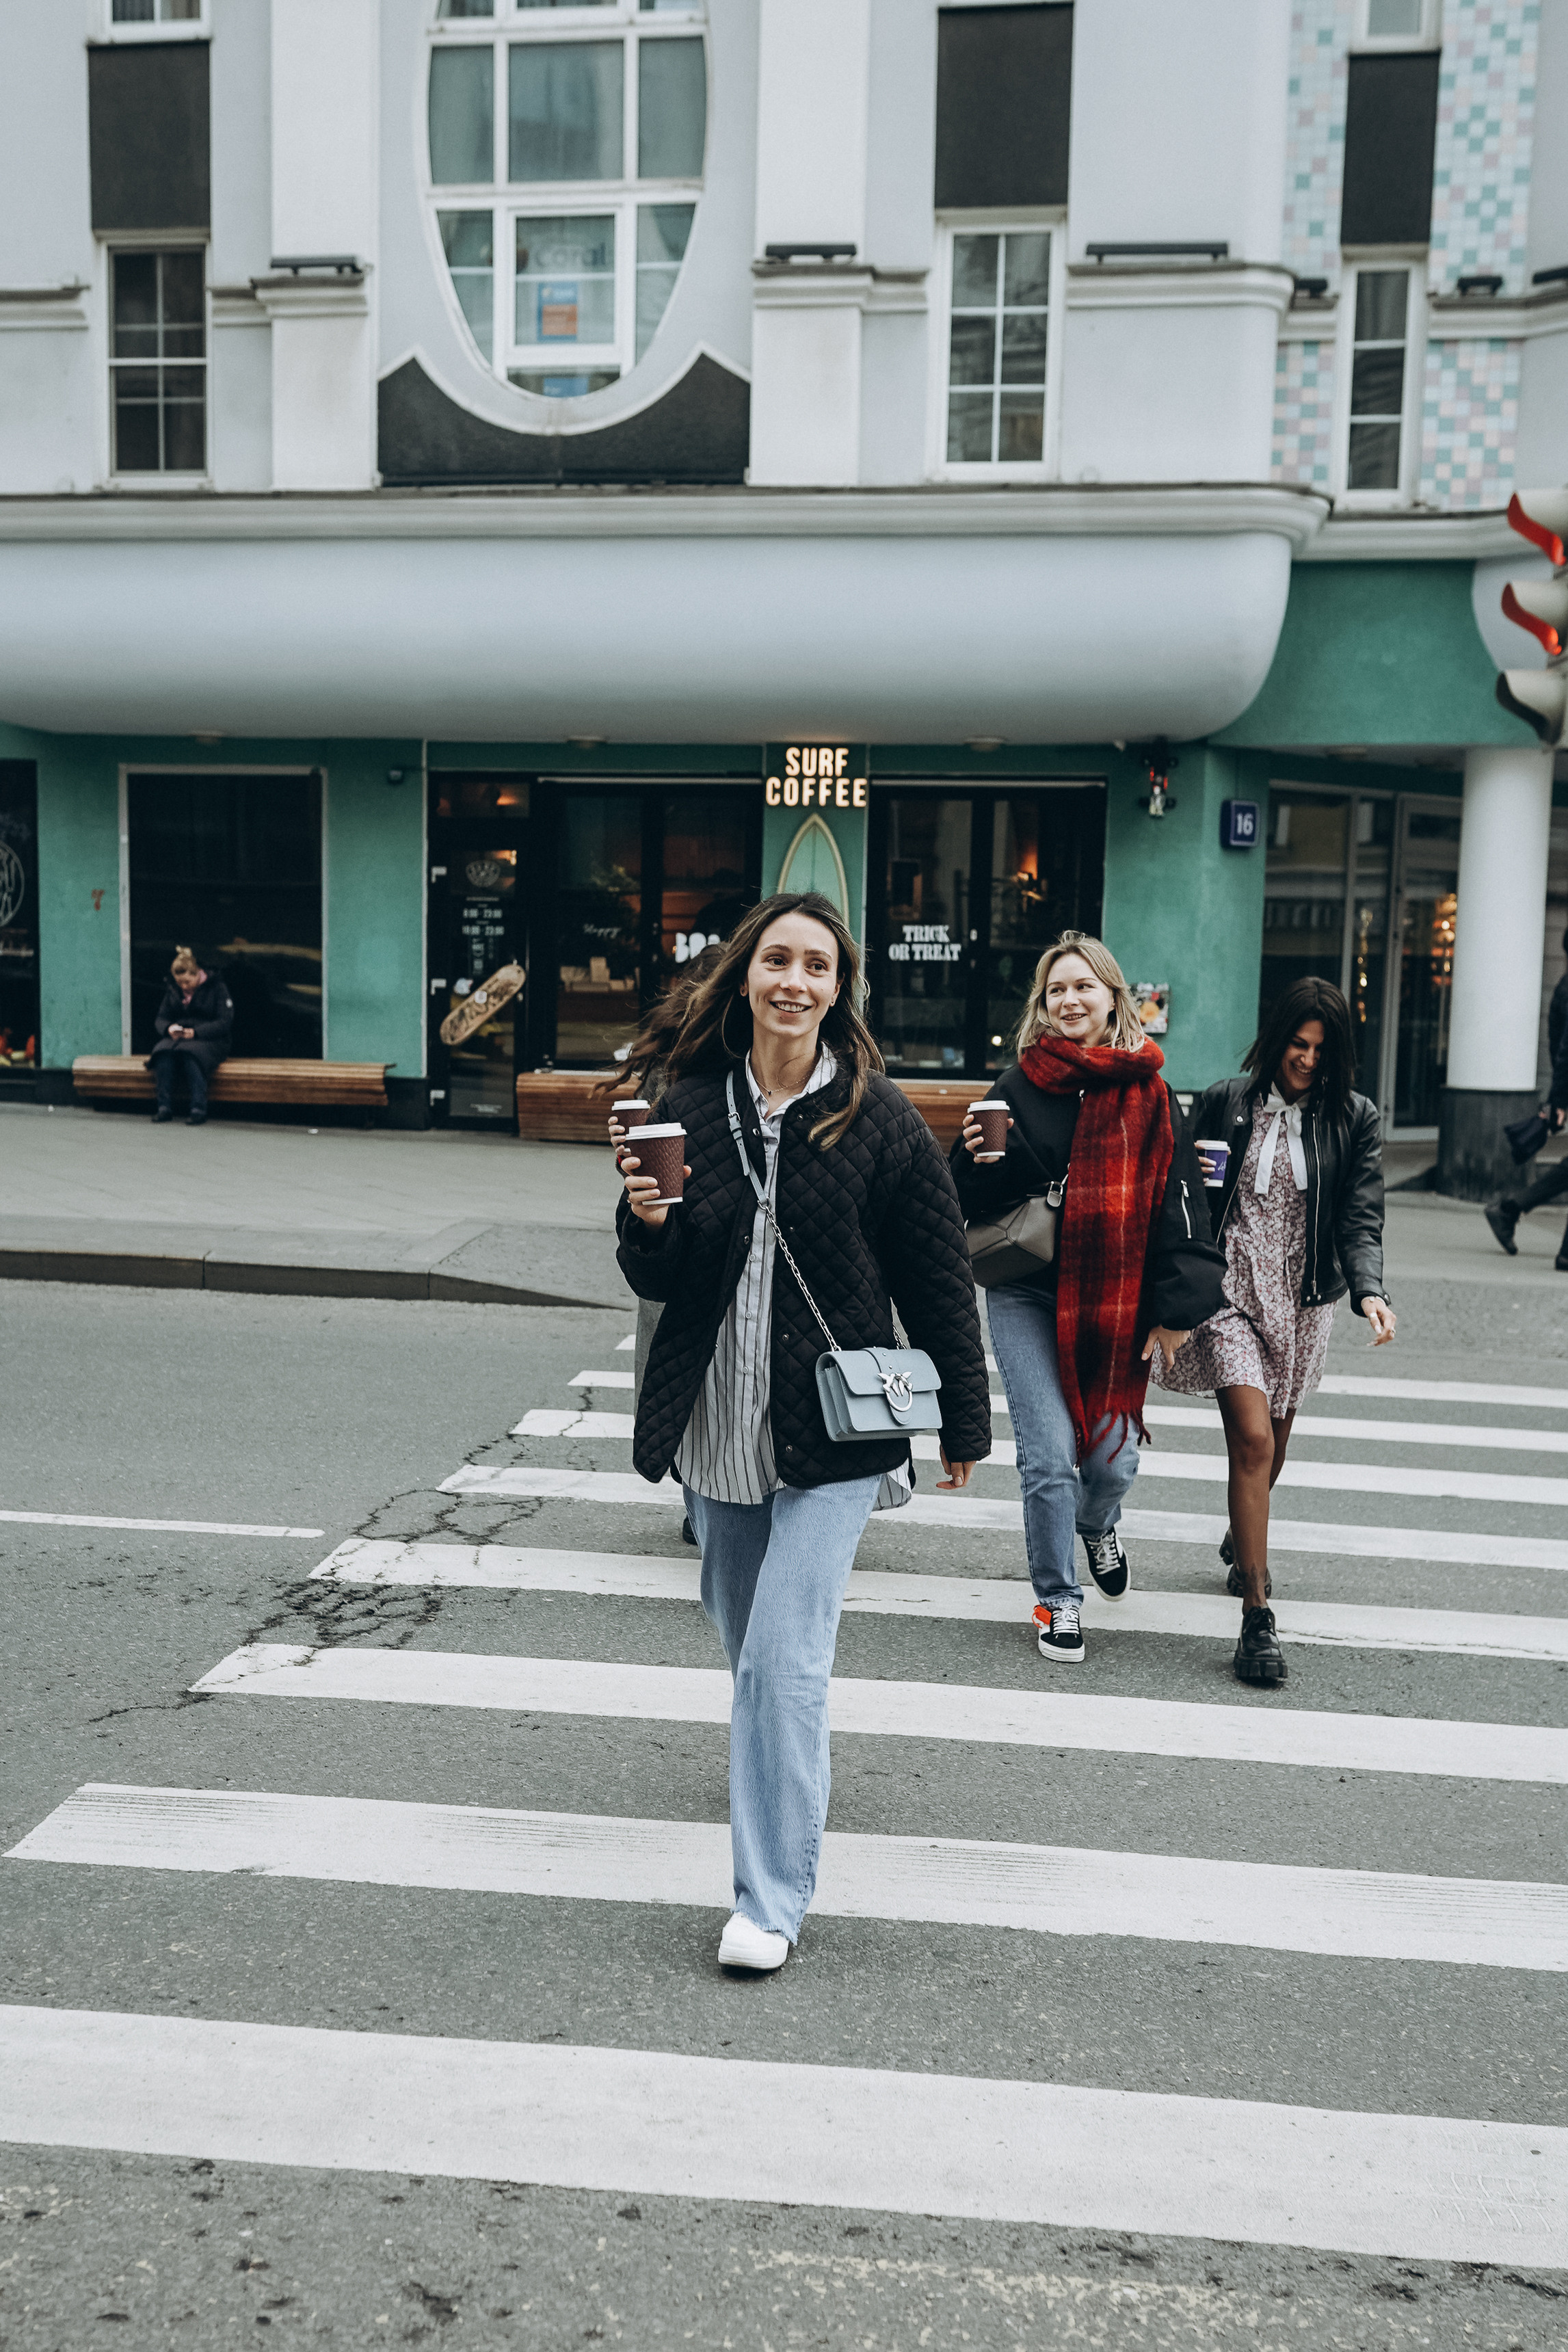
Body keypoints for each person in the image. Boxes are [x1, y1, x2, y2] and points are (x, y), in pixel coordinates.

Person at [616, 890, 992, 1974]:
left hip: (834, 1431)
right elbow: (658, 1275)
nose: (794, 980)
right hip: (721, 1415)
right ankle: (790, 1760)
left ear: (839, 989)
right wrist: (647, 1222)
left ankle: (769, 1902)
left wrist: (962, 1412)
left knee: (782, 1662)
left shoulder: (876, 1116)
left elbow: (936, 1271)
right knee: (751, 1652)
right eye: (776, 959)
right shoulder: (685, 1100)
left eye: (816, 966)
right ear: (746, 976)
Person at [951, 932, 1225, 1667]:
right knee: (1044, 1458)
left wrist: (1176, 1312)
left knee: (1109, 1465)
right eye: (1054, 991)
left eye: (1082, 987)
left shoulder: (1151, 1092)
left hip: (1117, 1300)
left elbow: (1181, 1204)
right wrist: (974, 1157)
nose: (1067, 1001)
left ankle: (1097, 1523)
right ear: (1041, 1007)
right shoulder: (1016, 1086)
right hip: (1024, 1290)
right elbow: (967, 1197)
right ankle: (1057, 1599)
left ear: (1113, 997)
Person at [1156, 975, 1394, 1687]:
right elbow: (1187, 1198)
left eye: (1322, 1048)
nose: (1308, 1059)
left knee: (1272, 1448)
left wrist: (1370, 1290)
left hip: (1303, 1300)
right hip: (1230, 1290)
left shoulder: (1354, 1116)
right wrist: (1172, 1292)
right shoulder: (1228, 1101)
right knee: (1253, 1440)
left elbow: (1360, 1215)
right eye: (1298, 1043)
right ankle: (1256, 1618)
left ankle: (1242, 1533)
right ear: (1276, 1038)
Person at [607, 942, 726, 1548]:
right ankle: (699, 1495)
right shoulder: (684, 1062)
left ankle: (699, 1497)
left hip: (682, 1232)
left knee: (683, 1369)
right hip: (672, 1235)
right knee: (686, 1373)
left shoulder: (683, 1056)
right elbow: (644, 1170)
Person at [1485, 928, 1568, 1267]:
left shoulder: (1563, 987)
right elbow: (1565, 1051)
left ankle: (1509, 1209)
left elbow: (1557, 1046)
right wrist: (1557, 1101)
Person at [147, 948, 232, 1126]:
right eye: (180, 983)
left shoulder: (217, 988)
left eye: (187, 982)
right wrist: (169, 1029)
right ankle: (164, 1107)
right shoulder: (174, 990)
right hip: (180, 1038)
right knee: (162, 1055)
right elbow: (161, 1018)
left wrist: (197, 1032)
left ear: (197, 974)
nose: (183, 987)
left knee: (192, 1056)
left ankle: (198, 1109)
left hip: (210, 1039)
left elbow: (225, 1021)